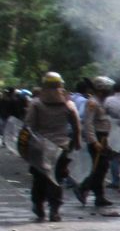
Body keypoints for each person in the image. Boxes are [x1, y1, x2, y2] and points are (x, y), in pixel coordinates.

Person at [22, 72, 81, 221]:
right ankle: (54, 210)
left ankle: (38, 206)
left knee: (39, 179)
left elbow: (28, 126)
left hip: (39, 148)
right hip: (61, 148)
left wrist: (26, 147)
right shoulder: (68, 104)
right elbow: (76, 126)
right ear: (61, 85)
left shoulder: (36, 103)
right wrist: (76, 142)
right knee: (56, 179)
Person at [76, 76, 114, 208]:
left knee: (102, 168)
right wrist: (94, 141)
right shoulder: (92, 102)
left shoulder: (101, 102)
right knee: (99, 167)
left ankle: (99, 196)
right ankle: (83, 188)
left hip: (103, 138)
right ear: (101, 90)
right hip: (97, 138)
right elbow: (88, 124)